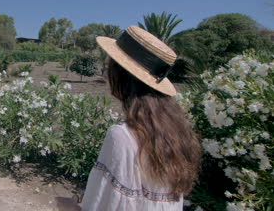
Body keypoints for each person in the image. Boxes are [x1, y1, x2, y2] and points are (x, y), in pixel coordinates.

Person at [56, 26, 202, 211]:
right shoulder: (175, 132)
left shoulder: (122, 137)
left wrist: (68, 206)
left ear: (123, 76)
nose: (104, 75)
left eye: (107, 68)